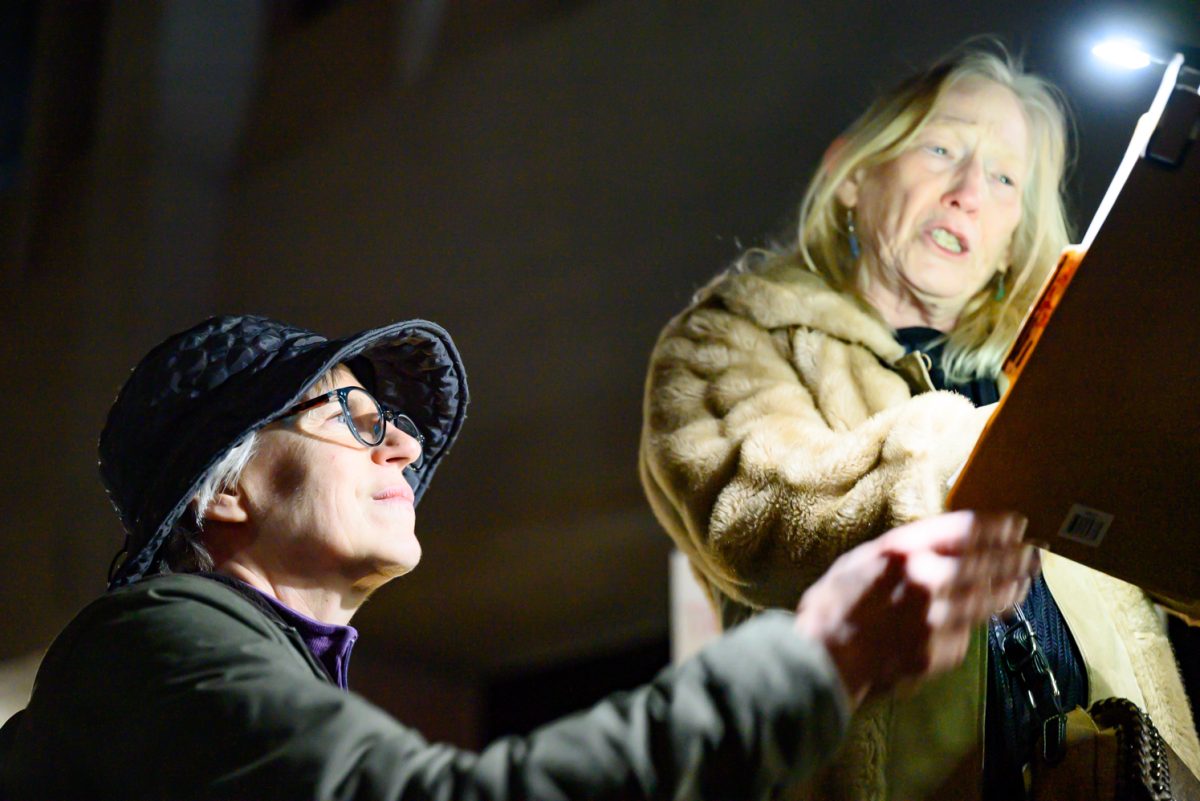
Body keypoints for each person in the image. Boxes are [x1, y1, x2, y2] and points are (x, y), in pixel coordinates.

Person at [0, 314, 1036, 801]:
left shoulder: (234, 666)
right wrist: (820, 656)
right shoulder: (151, 646)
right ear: (223, 490)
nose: (403, 445)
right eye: (353, 417)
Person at [639, 44, 1200, 800]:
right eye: (942, 147)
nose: (971, 190)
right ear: (853, 176)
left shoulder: (1063, 378)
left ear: (1013, 239)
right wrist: (979, 448)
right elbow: (752, 510)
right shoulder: (735, 335)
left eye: (1006, 178)